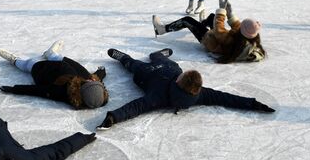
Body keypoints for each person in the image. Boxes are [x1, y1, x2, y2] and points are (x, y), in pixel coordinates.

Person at [97, 48, 274, 129]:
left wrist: (114, 117)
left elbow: (136, 107)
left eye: (180, 77)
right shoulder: (200, 93)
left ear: (178, 83)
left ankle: (124, 57)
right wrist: (252, 104)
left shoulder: (158, 96)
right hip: (168, 67)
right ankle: (158, 54)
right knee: (160, 58)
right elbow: (226, 97)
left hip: (147, 74)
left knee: (133, 64)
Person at [153, 0, 265, 63]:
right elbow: (238, 27)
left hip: (209, 41)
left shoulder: (230, 40)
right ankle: (202, 24)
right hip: (218, 41)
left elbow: (219, 30)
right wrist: (230, 14)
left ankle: (161, 29)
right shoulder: (249, 38)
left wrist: (222, 11)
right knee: (212, 16)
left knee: (187, 20)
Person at [0, 41, 109, 109]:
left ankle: (15, 60)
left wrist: (14, 89)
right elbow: (97, 79)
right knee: (84, 72)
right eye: (95, 83)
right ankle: (51, 54)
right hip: (63, 65)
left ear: (82, 91)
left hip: (43, 71)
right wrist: (101, 72)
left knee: (29, 64)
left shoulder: (61, 92)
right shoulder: (92, 85)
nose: (92, 81)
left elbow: (38, 90)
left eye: (90, 83)